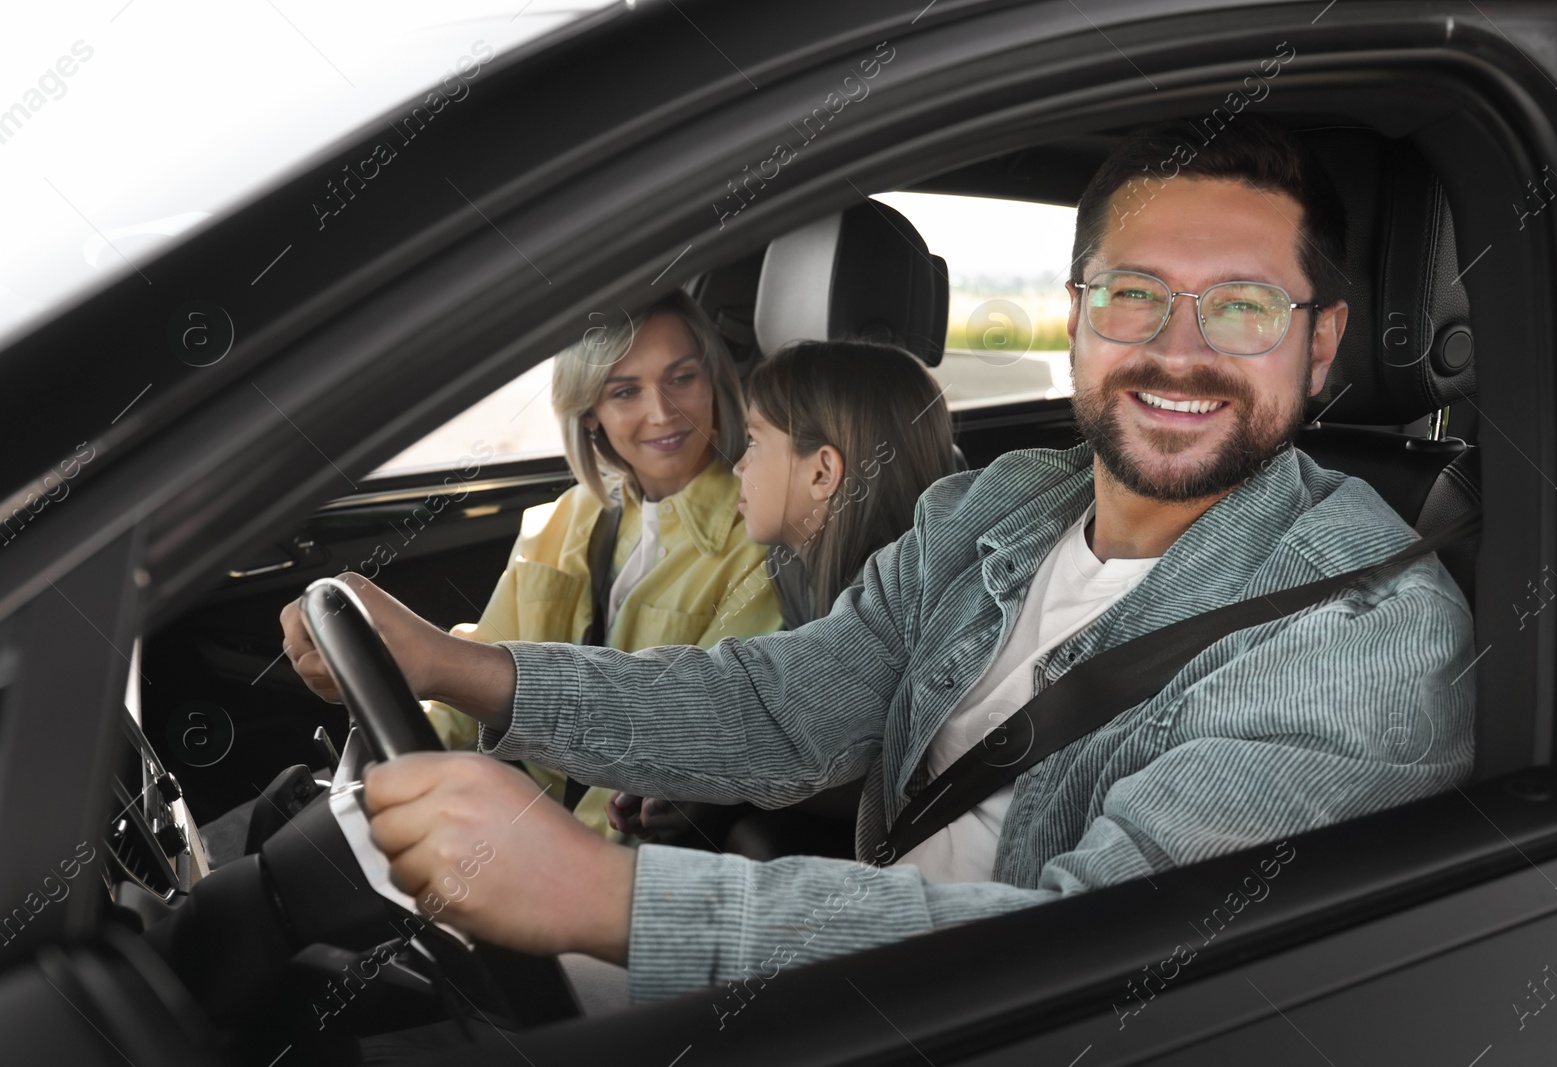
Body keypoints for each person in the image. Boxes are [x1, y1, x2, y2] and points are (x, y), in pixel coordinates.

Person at [281, 116, 1476, 1008]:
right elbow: (785, 705)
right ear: (1073, 318)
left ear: (1321, 345)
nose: (1177, 352)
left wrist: (608, 896)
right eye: (1133, 295)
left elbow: (1083, 964)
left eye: (1244, 307)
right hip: (836, 974)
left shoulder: (1360, 637)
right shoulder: (1001, 502)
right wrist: (466, 666)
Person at [421, 289, 781, 842]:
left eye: (682, 378)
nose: (663, 413)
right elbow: (475, 668)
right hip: (507, 822)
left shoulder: (755, 540)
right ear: (590, 413)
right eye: (626, 391)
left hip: (595, 861)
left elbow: (687, 745)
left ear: (713, 383)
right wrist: (398, 751)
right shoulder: (568, 517)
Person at [606, 338, 959, 853]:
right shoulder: (792, 567)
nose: (738, 467)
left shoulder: (906, 604)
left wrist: (724, 785)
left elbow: (886, 780)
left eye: (753, 442)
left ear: (822, 473)